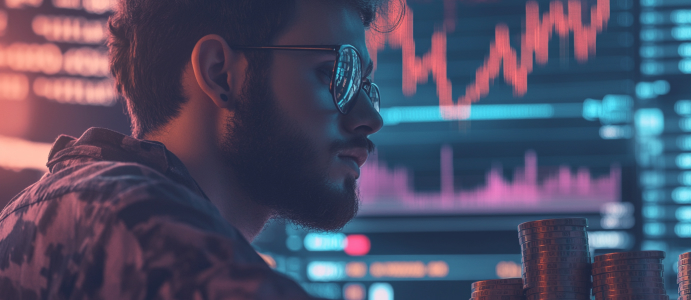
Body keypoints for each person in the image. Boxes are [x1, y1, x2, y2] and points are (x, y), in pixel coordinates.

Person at [0, 0, 398, 298]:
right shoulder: (132, 222)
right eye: (334, 75)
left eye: (363, 86)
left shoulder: (58, 210)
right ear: (219, 73)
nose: (370, 118)